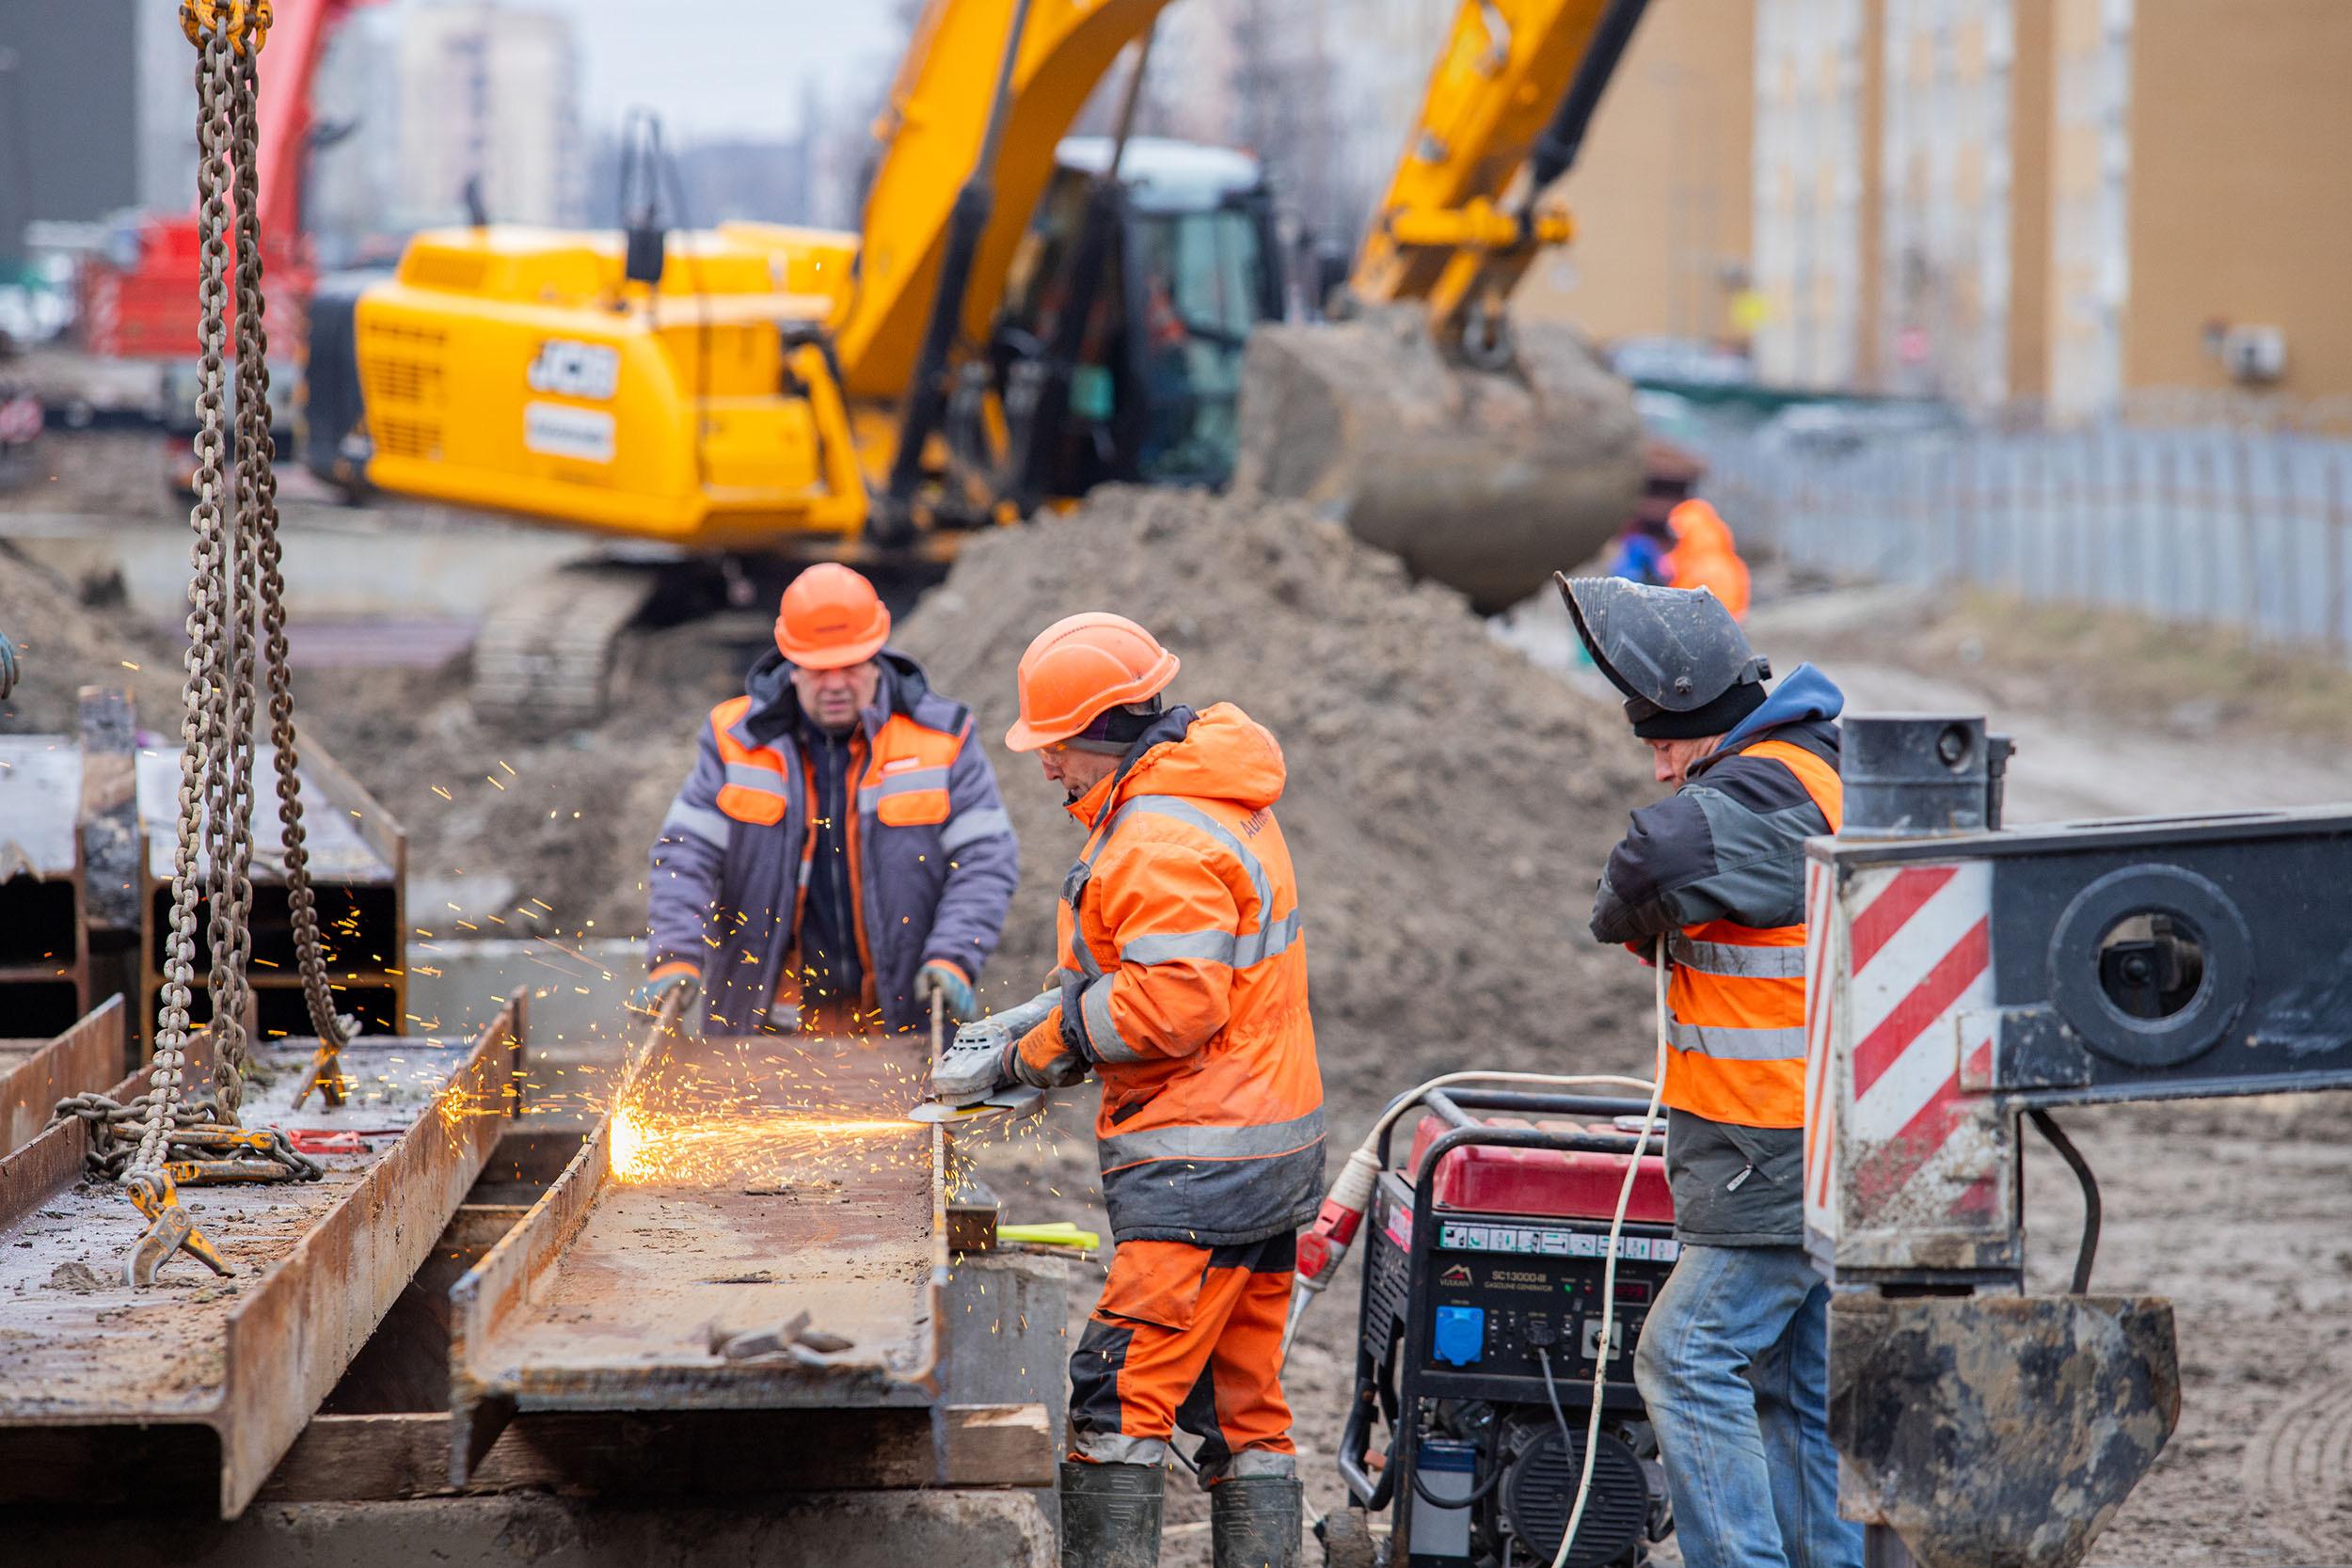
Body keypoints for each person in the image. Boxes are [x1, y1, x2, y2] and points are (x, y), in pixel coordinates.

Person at [930, 612, 1324, 1568]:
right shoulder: (1209, 794)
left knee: (1117, 1395)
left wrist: (1037, 1050)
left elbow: (1171, 1003)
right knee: (1246, 1407)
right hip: (1262, 1141)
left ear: (1094, 731)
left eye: (1052, 745)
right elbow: (1164, 971)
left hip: (1201, 1160)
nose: (1043, 764)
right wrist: (1038, 1023)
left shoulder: (1154, 835)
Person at [1555, 574, 1860, 1568]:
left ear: (1700, 716)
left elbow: (1639, 868)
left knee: (1684, 1358)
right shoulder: (1803, 769)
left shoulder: (1767, 784)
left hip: (1772, 1144)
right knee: (1787, 1390)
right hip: (1797, 1138)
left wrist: (1641, 911)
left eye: (1662, 743)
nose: (1657, 766)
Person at [640, 563, 1019, 1037]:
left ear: (877, 653)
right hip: (768, 1025)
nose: (836, 684)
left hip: (896, 1023)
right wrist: (676, 953)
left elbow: (986, 858)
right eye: (819, 670)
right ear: (791, 663)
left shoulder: (942, 738)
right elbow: (685, 854)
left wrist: (954, 955)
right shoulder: (735, 740)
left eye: (852, 665)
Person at [1663, 497, 1752, 621]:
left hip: (1706, 621)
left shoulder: (1699, 565)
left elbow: (1680, 598)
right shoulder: (1730, 561)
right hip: (1730, 622)